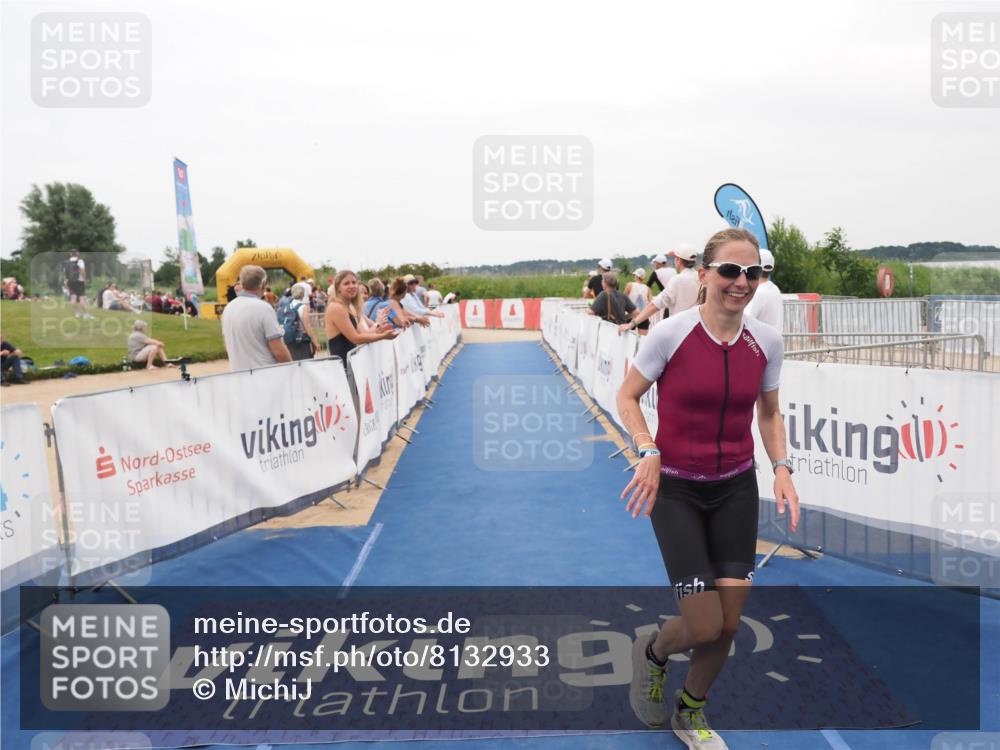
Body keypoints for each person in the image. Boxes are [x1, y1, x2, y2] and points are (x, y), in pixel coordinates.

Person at [616, 227, 800, 750]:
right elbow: (628, 396)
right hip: (675, 491)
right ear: (704, 275)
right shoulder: (670, 333)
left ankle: (690, 711)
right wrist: (647, 450)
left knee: (728, 624)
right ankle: (652, 654)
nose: (741, 283)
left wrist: (782, 465)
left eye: (753, 273)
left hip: (736, 490)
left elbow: (768, 413)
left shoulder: (766, 341)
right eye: (730, 271)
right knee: (702, 624)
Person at [221, 265, 292, 372]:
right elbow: (278, 351)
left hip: (238, 375)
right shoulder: (264, 308)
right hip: (265, 375)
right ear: (263, 284)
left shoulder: (228, 308)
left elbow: (227, 346)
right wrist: (293, 367)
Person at [622, 246, 701, 334]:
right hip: (696, 329)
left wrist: (632, 323)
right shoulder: (701, 278)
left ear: (678, 260)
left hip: (678, 331)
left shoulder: (676, 279)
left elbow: (655, 305)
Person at [325, 270, 398, 363]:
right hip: (342, 366)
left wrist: (379, 328)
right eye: (346, 283)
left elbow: (362, 333)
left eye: (354, 282)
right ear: (338, 288)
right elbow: (356, 338)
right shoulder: (337, 307)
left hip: (352, 363)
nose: (351, 286)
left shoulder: (349, 306)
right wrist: (382, 336)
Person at [745, 249, 783, 332]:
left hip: (760, 343)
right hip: (774, 341)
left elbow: (744, 322)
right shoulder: (775, 289)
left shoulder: (758, 293)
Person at [282, 283, 319, 360]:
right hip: (302, 341)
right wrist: (316, 342)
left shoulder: (287, 306)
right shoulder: (303, 307)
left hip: (290, 340)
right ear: (303, 294)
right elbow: (307, 326)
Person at [63, 249, 93, 319]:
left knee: (73, 298)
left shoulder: (66, 262)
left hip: (70, 282)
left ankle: (77, 313)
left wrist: (65, 282)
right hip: (79, 281)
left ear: (70, 254)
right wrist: (84, 279)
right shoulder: (80, 261)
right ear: (77, 253)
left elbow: (65, 273)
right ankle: (86, 314)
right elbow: (82, 270)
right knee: (82, 298)